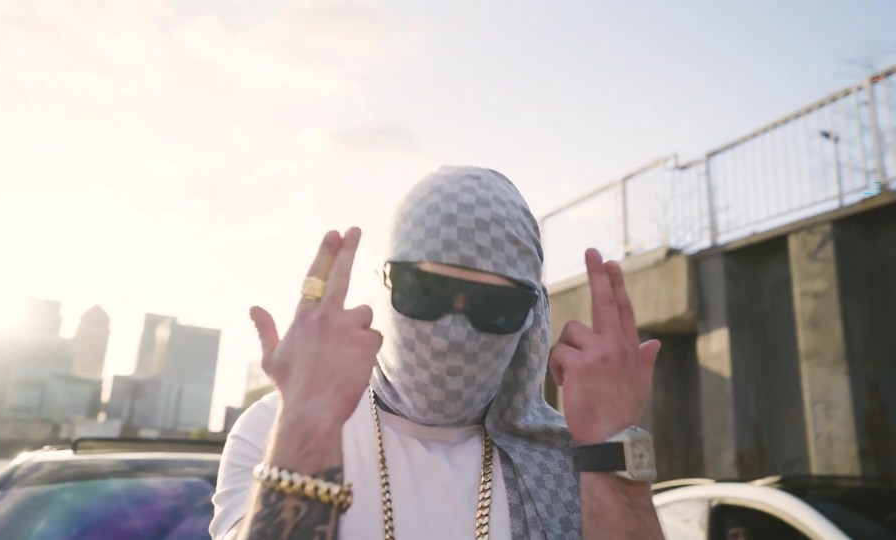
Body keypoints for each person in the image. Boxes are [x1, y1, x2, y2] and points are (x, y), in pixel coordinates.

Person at [210, 166, 665, 539]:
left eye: (494, 306)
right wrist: (307, 422)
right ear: (386, 284)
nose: (453, 330)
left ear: (531, 316)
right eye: (425, 291)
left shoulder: (574, 458)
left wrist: (611, 442)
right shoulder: (276, 429)